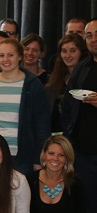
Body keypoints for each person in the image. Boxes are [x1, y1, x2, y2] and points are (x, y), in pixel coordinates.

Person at [0, 38, 51, 176]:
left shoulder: (33, 84)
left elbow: (42, 125)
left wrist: (39, 158)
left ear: (20, 57)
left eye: (10, 55)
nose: (5, 59)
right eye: (1, 55)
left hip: (21, 157)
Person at [62, 19, 97, 212]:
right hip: (83, 154)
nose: (94, 39)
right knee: (87, 205)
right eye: (89, 35)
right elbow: (67, 104)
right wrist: (69, 139)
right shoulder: (82, 68)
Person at [27, 135, 84, 213]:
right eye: (51, 153)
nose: (55, 158)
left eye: (61, 155)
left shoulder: (75, 183)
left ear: (67, 158)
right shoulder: (29, 180)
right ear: (44, 154)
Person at [46, 34, 88, 133]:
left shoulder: (88, 77)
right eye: (64, 51)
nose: (68, 55)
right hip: (57, 134)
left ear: (81, 52)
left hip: (81, 133)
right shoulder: (55, 79)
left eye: (73, 51)